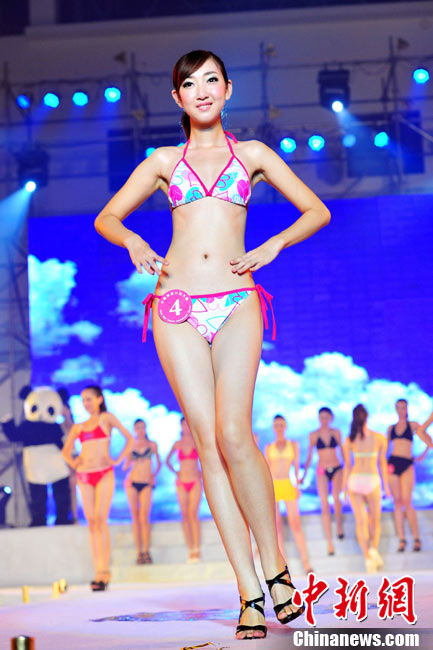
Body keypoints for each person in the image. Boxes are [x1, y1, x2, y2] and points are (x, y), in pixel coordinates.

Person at [94, 49, 330, 639]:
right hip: (174, 306)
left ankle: (276, 569)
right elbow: (107, 218)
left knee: (234, 434)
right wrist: (132, 241)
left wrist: (273, 245)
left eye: (210, 80)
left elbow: (316, 210)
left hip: (236, 300)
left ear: (227, 89)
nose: (201, 91)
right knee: (206, 442)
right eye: (189, 84)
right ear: (177, 97)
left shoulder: (252, 155)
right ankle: (249, 592)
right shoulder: (162, 161)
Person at [62, 385, 134, 590]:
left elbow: (129, 439)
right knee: (92, 522)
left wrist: (117, 460)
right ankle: (97, 572)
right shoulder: (79, 427)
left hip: (104, 473)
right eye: (83, 400)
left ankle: (104, 572)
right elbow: (66, 451)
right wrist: (74, 462)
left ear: (100, 399)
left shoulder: (106, 418)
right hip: (85, 475)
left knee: (101, 520)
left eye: (89, 399)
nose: (86, 403)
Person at [342, 404, 390, 573]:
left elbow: (347, 466)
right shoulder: (379, 438)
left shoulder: (350, 439)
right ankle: (372, 551)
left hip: (355, 479)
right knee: (374, 520)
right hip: (371, 478)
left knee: (361, 521)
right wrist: (387, 487)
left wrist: (344, 488)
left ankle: (368, 557)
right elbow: (382, 464)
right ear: (367, 416)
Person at [264, 414, 313, 574]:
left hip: (287, 483)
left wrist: (297, 485)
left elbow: (297, 467)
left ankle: (306, 563)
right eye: (276, 425)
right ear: (273, 427)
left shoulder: (293, 445)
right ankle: (283, 566)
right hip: (274, 486)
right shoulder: (269, 447)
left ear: (285, 426)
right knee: (277, 527)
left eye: (281, 425)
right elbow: (266, 470)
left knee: (295, 523)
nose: (279, 428)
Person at [387, 399, 432, 552]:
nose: (401, 410)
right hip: (393, 463)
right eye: (398, 407)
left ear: (407, 409)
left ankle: (416, 538)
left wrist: (422, 455)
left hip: (407, 463)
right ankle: (402, 539)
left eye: (403, 407)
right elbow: (385, 448)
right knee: (397, 501)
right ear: (395, 409)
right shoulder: (391, 428)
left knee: (407, 501)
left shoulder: (412, 425)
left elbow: (427, 438)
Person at [301, 407, 344, 555]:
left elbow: (343, 451)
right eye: (321, 417)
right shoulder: (313, 435)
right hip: (322, 469)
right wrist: (303, 475)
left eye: (326, 417)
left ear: (330, 418)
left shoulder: (336, 433)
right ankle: (329, 543)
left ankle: (339, 525)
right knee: (324, 503)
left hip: (336, 467)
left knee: (336, 498)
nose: (324, 420)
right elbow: (309, 456)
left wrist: (349, 469)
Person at [124, 418, 161, 564]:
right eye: (138, 428)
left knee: (144, 517)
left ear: (145, 428)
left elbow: (158, 463)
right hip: (132, 482)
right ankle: (139, 552)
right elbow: (126, 466)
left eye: (142, 427)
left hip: (146, 482)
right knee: (135, 517)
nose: (140, 430)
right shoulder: (131, 445)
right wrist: (127, 456)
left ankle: (146, 550)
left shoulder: (152, 445)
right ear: (134, 429)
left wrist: (153, 476)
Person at [166, 417, 202, 563]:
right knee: (185, 515)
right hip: (181, 481)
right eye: (183, 425)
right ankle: (190, 549)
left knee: (193, 513)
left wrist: (201, 472)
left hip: (195, 480)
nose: (186, 427)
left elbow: (206, 458)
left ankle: (197, 549)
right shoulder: (177, 444)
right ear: (180, 426)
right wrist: (176, 472)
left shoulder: (197, 441)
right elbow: (167, 460)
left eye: (187, 424)